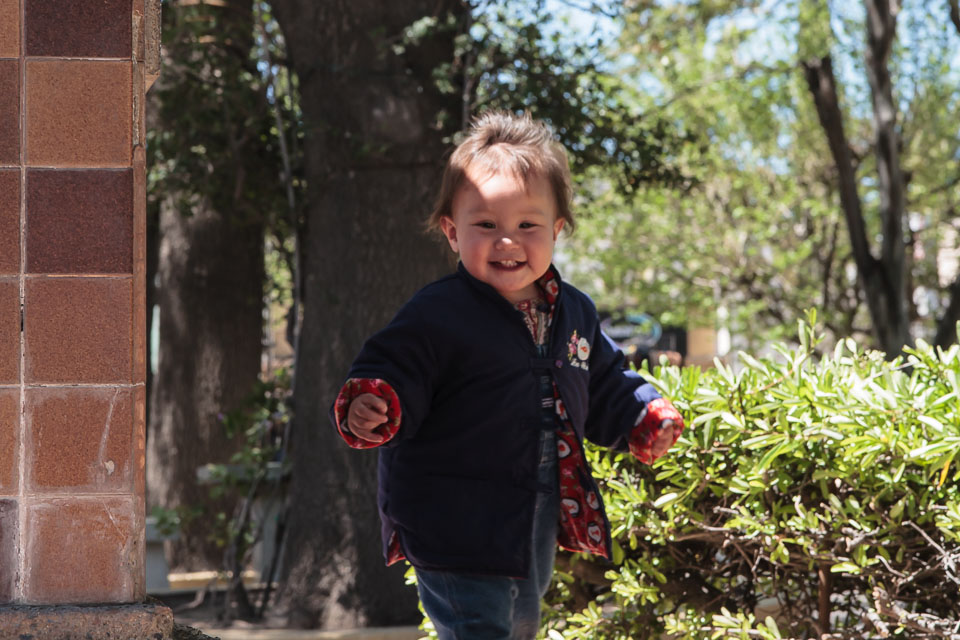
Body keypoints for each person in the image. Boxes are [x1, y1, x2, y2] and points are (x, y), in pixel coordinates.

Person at [331, 110, 685, 640]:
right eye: (486, 225)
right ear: (452, 232)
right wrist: (373, 402)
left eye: (527, 225)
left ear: (557, 230)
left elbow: (604, 380)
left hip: (530, 512)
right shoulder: (438, 313)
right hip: (452, 515)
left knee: (521, 622)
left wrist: (641, 414)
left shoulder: (574, 313)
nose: (507, 241)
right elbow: (394, 366)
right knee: (479, 627)